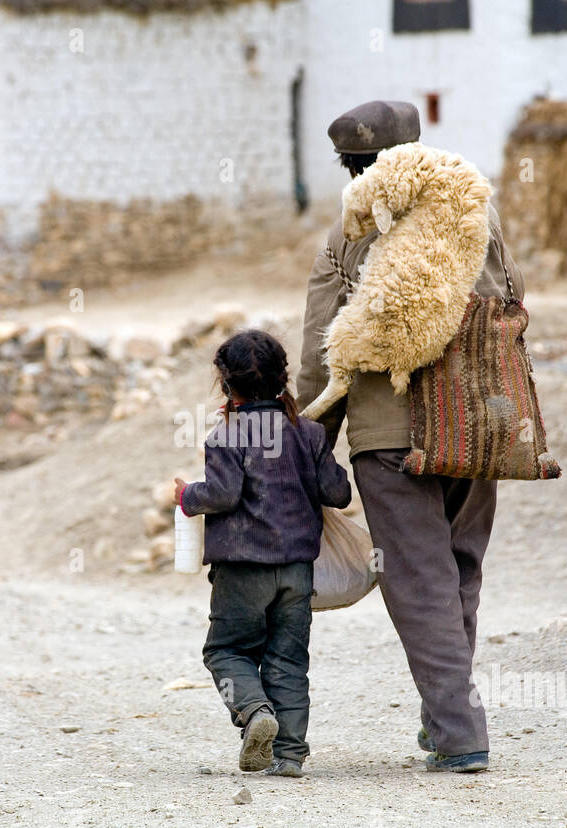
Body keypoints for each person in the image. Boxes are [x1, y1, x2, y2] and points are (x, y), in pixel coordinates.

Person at [297, 100, 525, 773]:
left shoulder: (347, 237)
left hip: (390, 436)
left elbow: (320, 350)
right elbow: (512, 299)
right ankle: (444, 718)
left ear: (349, 167)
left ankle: (459, 733)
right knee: (459, 570)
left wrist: (310, 442)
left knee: (419, 580)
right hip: (480, 421)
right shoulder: (475, 212)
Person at [174, 329, 351, 778]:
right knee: (288, 659)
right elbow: (338, 492)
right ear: (282, 378)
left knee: (227, 651)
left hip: (241, 571)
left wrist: (187, 495)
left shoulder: (224, 436)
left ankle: (254, 712)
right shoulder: (308, 433)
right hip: (296, 569)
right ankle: (288, 754)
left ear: (225, 383)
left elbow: (223, 493)